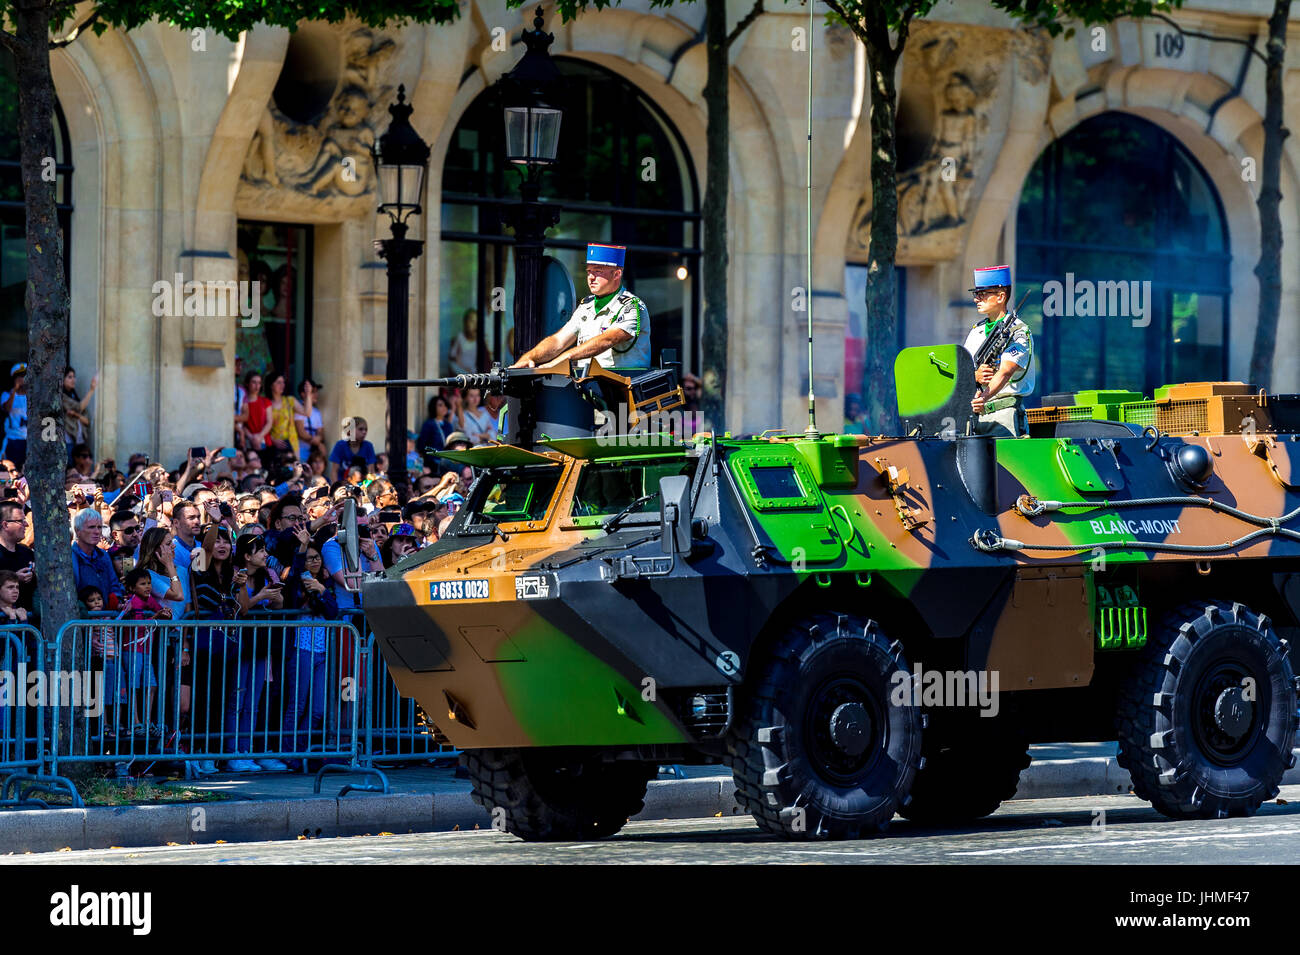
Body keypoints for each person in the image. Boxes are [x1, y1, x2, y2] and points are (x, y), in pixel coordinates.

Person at [511, 244, 651, 375]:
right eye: (589, 271)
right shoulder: (586, 306)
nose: (591, 277)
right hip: (589, 388)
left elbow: (607, 340)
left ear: (616, 274)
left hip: (624, 392)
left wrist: (563, 359)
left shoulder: (632, 306)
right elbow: (558, 341)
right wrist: (529, 358)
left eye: (597, 271)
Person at [962, 265, 1035, 438]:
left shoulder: (1018, 331)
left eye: (982, 294)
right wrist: (974, 376)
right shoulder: (976, 331)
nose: (976, 299)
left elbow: (1005, 371)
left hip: (1004, 416)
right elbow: (965, 369)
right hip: (975, 415)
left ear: (1001, 296)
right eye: (976, 294)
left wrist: (983, 398)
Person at [71, 508, 124, 606]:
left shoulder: (104, 555)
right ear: (78, 531)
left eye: (99, 527)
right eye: (91, 527)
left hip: (107, 618)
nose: (96, 532)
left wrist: (118, 602)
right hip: (82, 619)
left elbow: (114, 586)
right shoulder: (70, 557)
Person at [0, 500, 35, 611]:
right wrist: (14, 578)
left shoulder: (27, 553)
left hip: (28, 623)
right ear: (5, 525)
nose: (27, 524)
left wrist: (33, 575)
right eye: (21, 521)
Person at [328, 416, 376, 483]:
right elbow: (334, 471)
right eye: (360, 429)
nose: (364, 432)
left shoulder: (368, 446)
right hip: (342, 485)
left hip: (363, 486)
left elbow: (371, 472)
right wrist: (336, 488)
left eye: (366, 429)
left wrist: (368, 489)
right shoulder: (340, 445)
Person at [265, 372, 302, 458]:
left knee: (295, 469)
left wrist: (308, 394)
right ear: (271, 385)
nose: (282, 385)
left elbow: (307, 412)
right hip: (274, 445)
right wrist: (272, 440)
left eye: (283, 382)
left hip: (291, 443)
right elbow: (261, 426)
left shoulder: (289, 400)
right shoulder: (266, 403)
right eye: (278, 382)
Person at [62, 367, 98, 452]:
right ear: (62, 379)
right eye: (70, 377)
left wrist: (75, 414)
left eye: (74, 377)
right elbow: (79, 407)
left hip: (79, 441)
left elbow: (87, 421)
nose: (73, 380)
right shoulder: (61, 396)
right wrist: (92, 390)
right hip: (68, 440)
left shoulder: (74, 396)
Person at [1, 363, 28, 469]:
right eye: (20, 376)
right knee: (12, 470)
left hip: (28, 440)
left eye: (25, 375)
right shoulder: (7, 394)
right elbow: (7, 408)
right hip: (14, 439)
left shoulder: (32, 395)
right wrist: (15, 389)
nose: (23, 379)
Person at [238, 371, 271, 450]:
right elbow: (242, 424)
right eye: (254, 382)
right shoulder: (242, 402)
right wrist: (251, 437)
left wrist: (259, 436)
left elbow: (270, 422)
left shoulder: (265, 401)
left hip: (265, 441)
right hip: (248, 441)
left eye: (259, 383)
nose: (257, 386)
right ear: (247, 383)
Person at [295, 379, 326, 463]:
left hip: (313, 453)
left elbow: (320, 431)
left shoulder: (317, 412)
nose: (316, 395)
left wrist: (319, 438)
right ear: (303, 394)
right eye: (313, 392)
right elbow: (300, 432)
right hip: (301, 451)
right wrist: (317, 442)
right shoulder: (298, 409)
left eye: (316, 392)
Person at [447, 308, 479, 377]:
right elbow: (453, 355)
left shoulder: (479, 341)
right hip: (460, 370)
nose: (475, 325)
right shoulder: (460, 337)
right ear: (465, 322)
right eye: (472, 321)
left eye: (476, 322)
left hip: (473, 371)